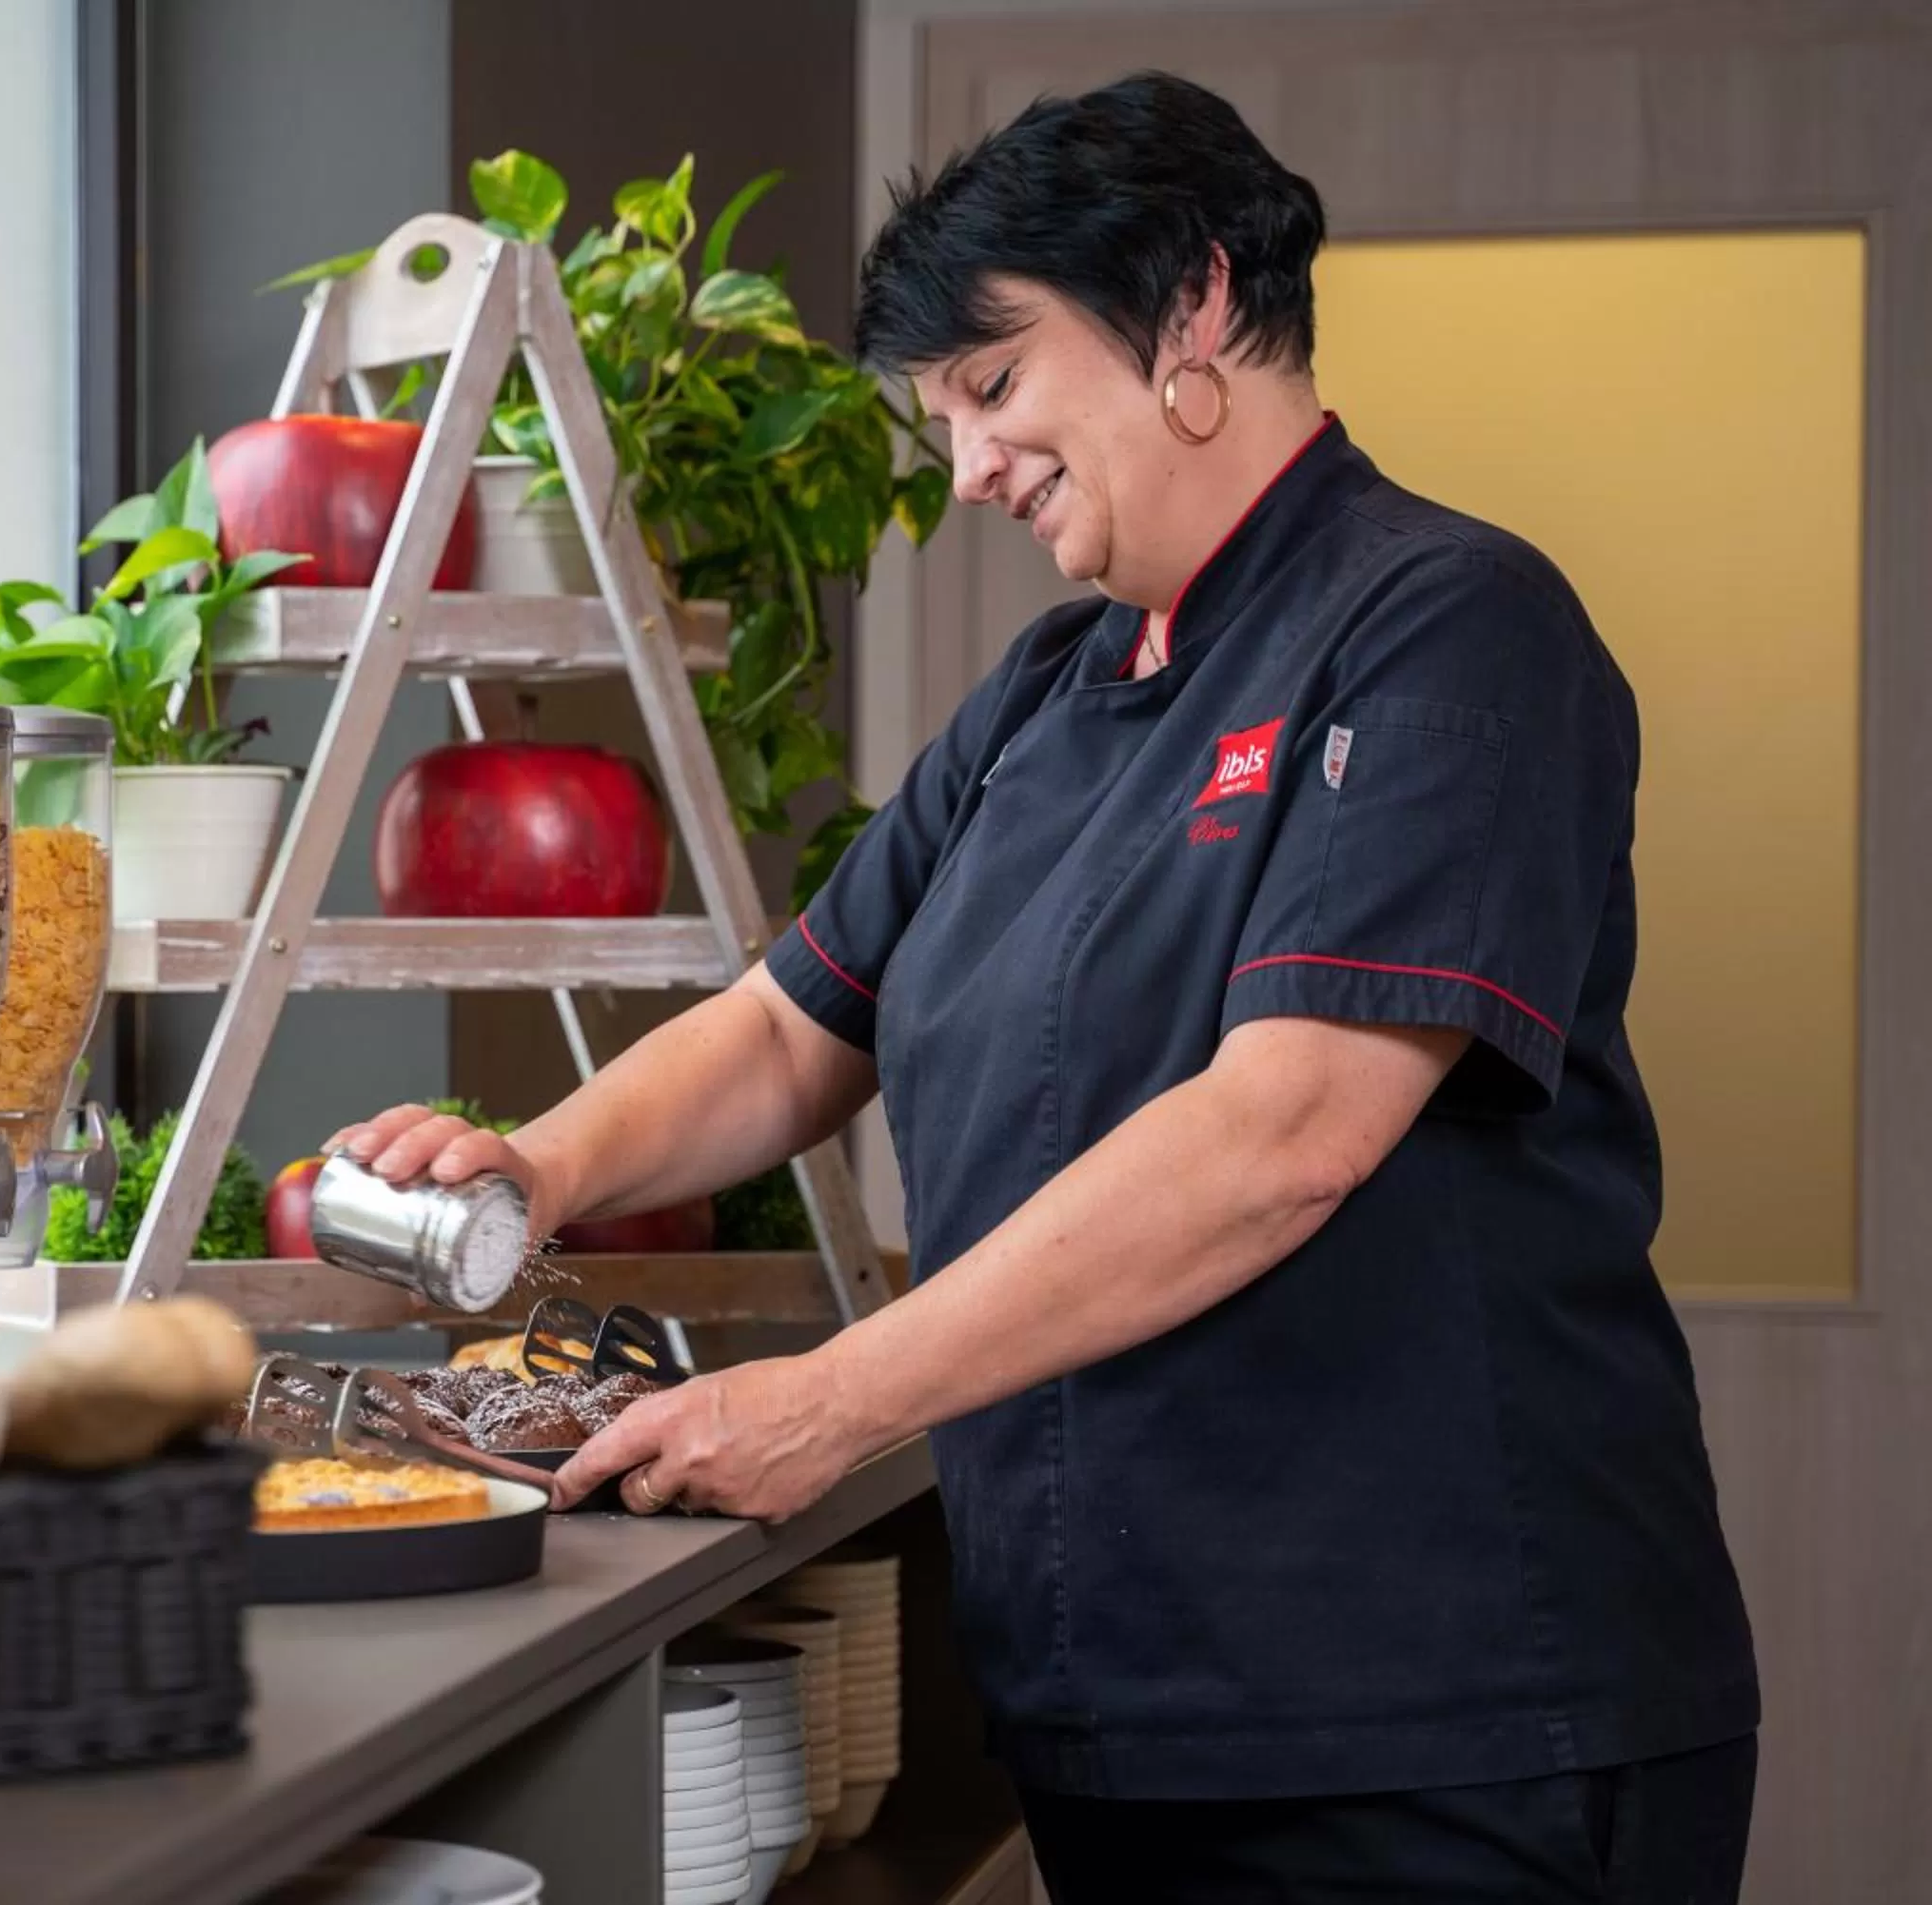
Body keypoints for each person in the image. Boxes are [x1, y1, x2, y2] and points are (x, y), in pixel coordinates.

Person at [329, 70, 1760, 1905]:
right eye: (942, 419)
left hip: (1449, 1714)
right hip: (1133, 1710)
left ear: (1199, 309)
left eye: (993, 388)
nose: (969, 466)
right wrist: (530, 1165)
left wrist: (834, 1396)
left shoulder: (1449, 626)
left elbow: (1287, 1134)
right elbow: (789, 1026)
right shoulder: (1045, 696)